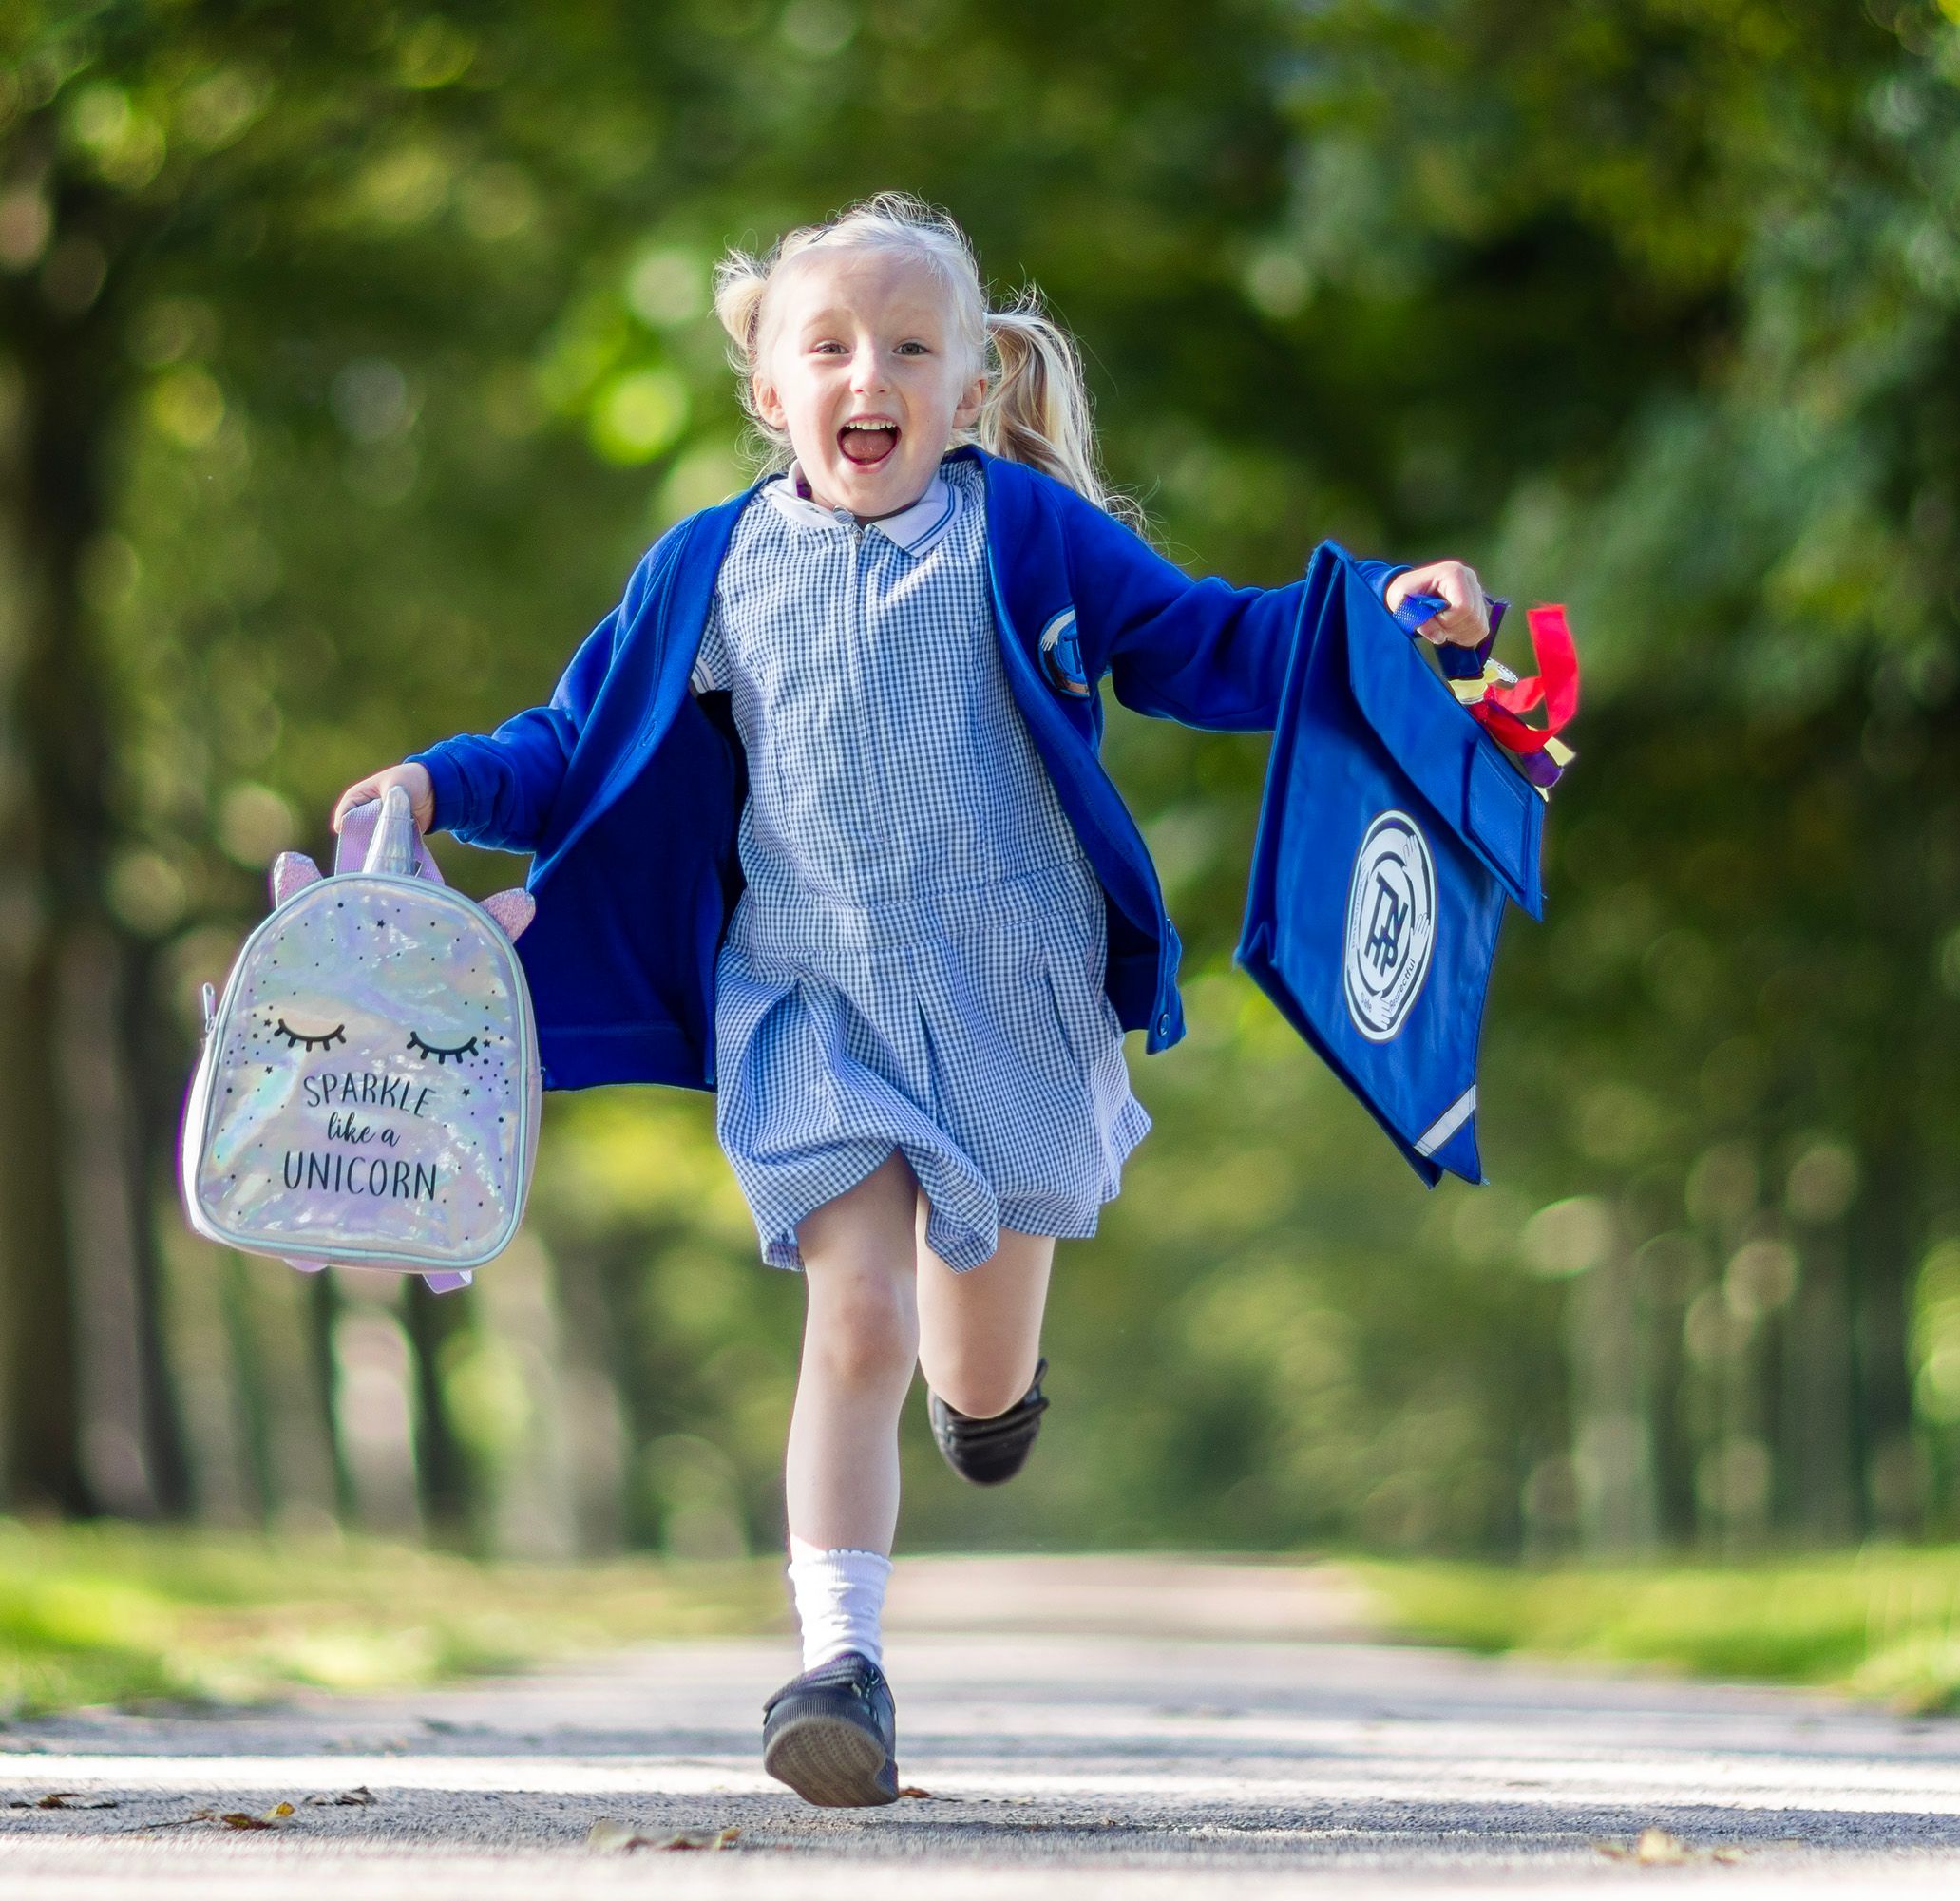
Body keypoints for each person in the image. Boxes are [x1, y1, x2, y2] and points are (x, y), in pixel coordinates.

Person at [333, 194, 1494, 1808]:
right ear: (768, 387)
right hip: (812, 1004)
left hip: (1015, 1001)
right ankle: (840, 1667)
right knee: (857, 1314)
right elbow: (570, 741)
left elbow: (1206, 644)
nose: (865, 375)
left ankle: (994, 1400)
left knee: (968, 1366)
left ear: (967, 392)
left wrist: (1372, 617)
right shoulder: (714, 565)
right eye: (827, 347)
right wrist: (438, 783)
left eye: (907, 348)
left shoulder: (1027, 533)